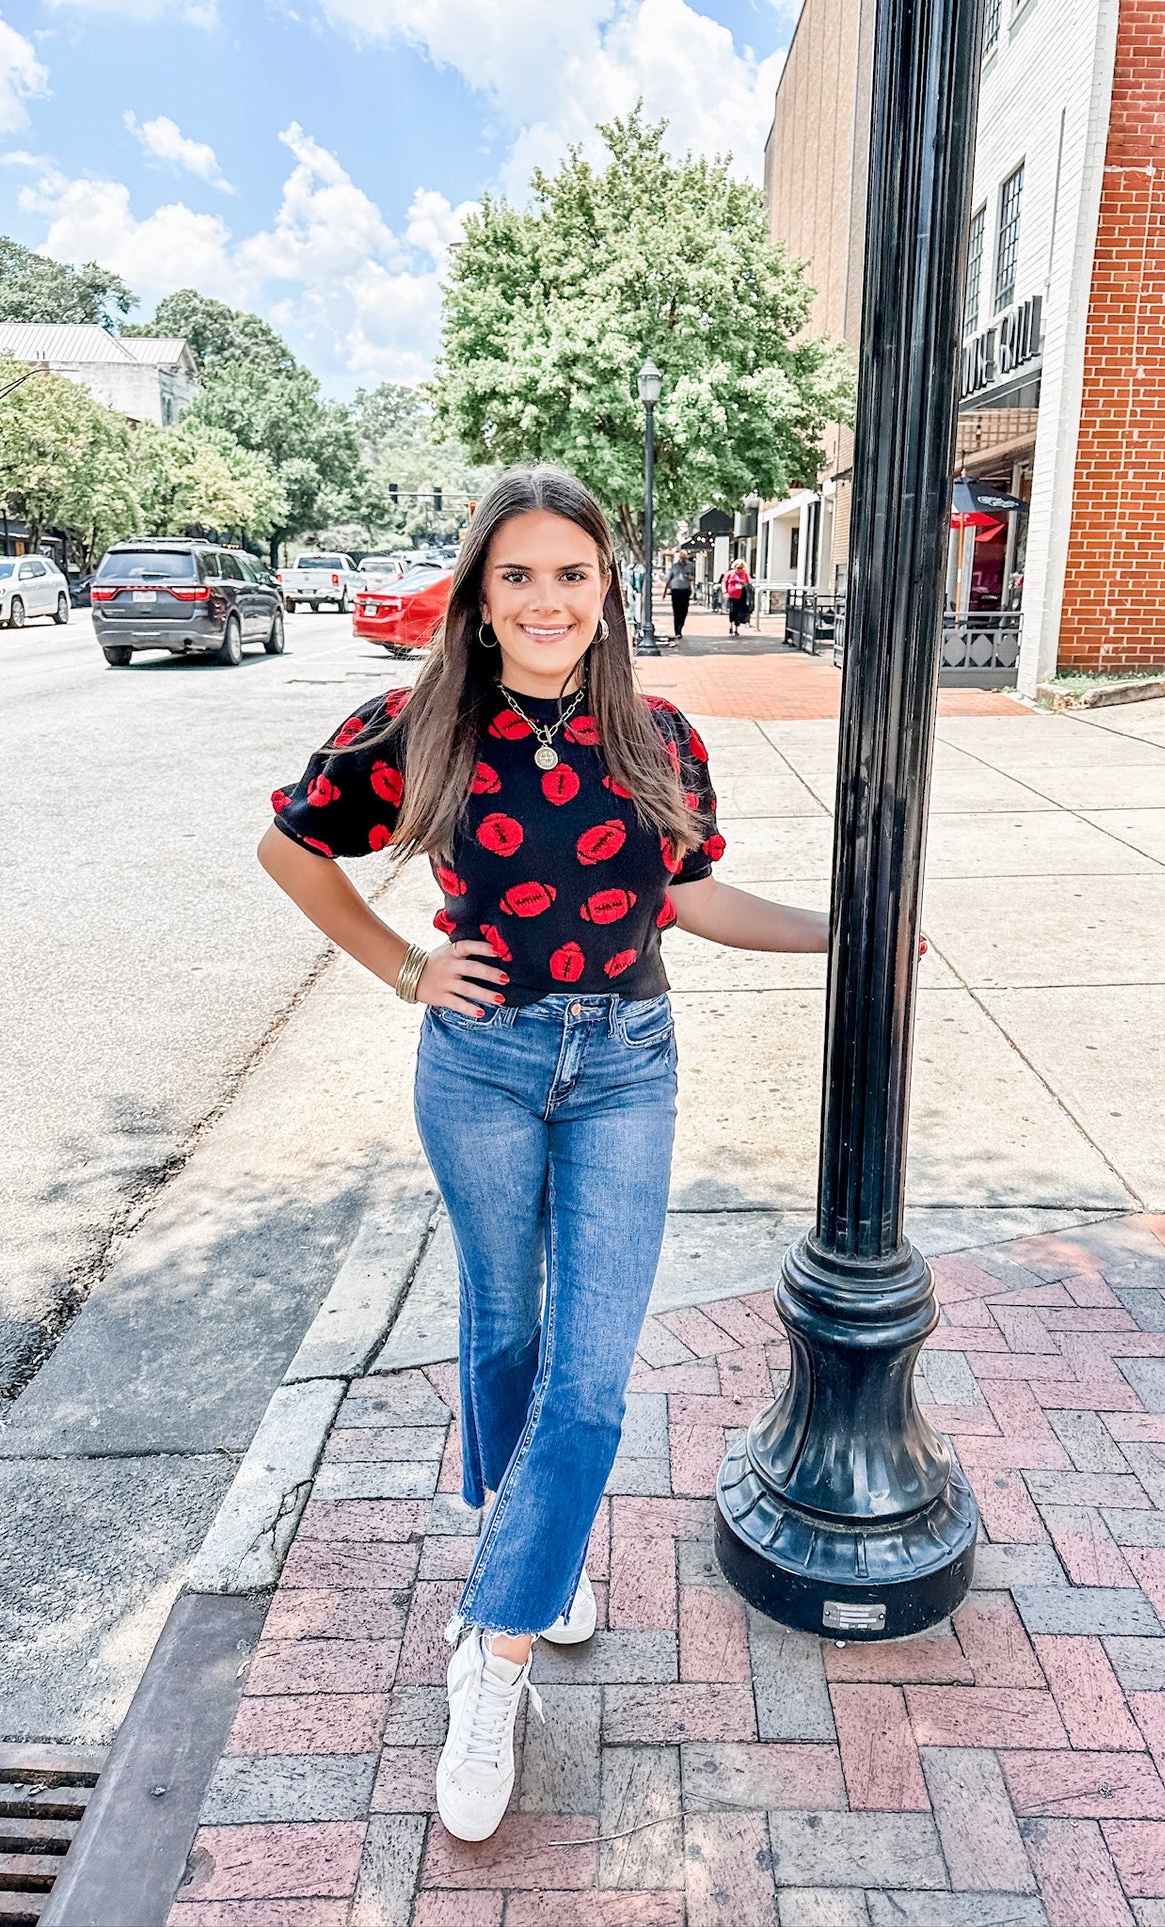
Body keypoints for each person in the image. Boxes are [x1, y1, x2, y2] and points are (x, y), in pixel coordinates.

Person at [258, 464, 828, 1846]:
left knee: (590, 1372)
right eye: (516, 574)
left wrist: (841, 932)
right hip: (483, 1061)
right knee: (503, 1320)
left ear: (609, 588)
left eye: (571, 571)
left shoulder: (662, 734)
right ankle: (545, 1552)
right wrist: (406, 966)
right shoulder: (417, 724)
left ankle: (492, 1648)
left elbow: (688, 898)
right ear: (480, 594)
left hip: (626, 1061)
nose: (546, 598)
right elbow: (290, 847)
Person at [664, 553, 692, 645]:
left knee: (684, 611)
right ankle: (677, 631)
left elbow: (694, 577)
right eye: (681, 558)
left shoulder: (690, 566)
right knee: (676, 611)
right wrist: (665, 592)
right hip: (675, 590)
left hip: (685, 590)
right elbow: (669, 579)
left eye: (684, 558)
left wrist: (690, 577)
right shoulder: (674, 566)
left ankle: (680, 626)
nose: (683, 560)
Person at [724, 558, 751, 636]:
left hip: (741, 594)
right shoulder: (729, 573)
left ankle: (736, 628)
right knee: (732, 610)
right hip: (732, 594)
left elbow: (748, 582)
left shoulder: (745, 574)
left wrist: (744, 584)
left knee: (739, 611)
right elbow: (724, 582)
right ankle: (731, 625)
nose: (739, 569)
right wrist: (725, 592)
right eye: (738, 567)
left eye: (741, 568)